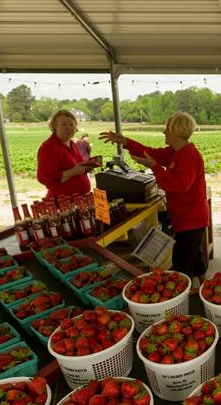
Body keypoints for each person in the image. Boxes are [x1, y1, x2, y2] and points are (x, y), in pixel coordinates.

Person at [99, 112, 209, 280]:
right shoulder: (175, 152)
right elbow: (150, 153)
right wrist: (125, 142)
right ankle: (203, 286)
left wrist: (155, 168)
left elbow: (179, 184)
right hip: (185, 218)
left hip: (191, 219)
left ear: (178, 132)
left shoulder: (189, 155)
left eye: (167, 129)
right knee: (194, 256)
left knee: (181, 264)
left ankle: (184, 292)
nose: (164, 132)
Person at [37, 110, 92, 198]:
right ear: (55, 126)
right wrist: (73, 172)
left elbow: (75, 166)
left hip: (80, 199)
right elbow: (44, 177)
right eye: (64, 124)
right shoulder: (49, 147)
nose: (68, 127)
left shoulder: (72, 143)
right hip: (63, 201)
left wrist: (86, 167)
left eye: (71, 124)